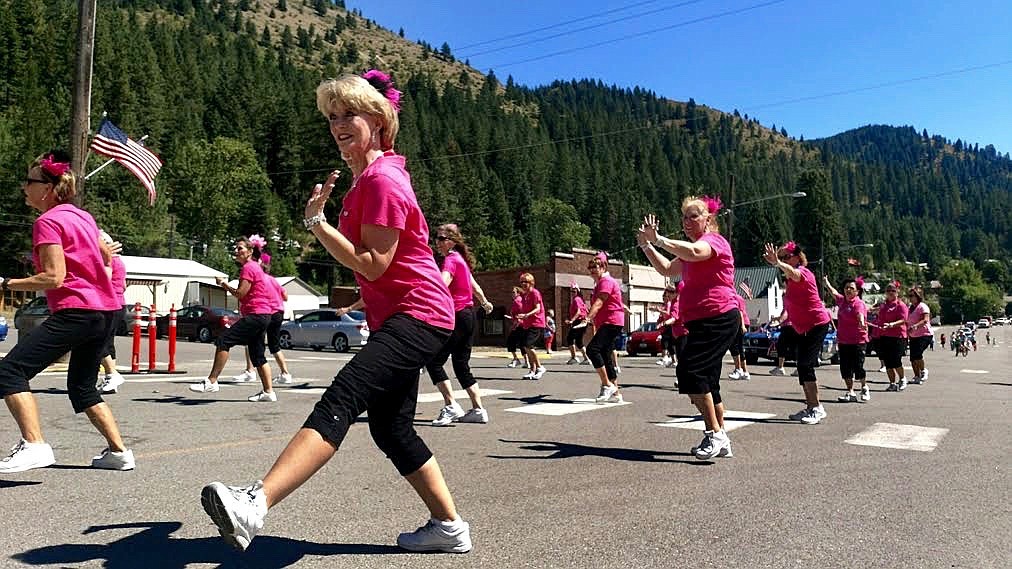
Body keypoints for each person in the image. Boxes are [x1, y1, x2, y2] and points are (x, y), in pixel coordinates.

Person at [200, 71, 471, 554]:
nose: (339, 124)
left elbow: (373, 262)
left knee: (342, 398)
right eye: (332, 117)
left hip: (422, 314)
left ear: (379, 120)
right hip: (404, 315)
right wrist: (318, 222)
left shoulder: (383, 180)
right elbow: (377, 267)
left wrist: (318, 223)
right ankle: (448, 527)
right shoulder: (367, 179)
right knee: (392, 428)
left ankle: (255, 504)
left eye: (350, 114)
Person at [0, 151, 135, 473]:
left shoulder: (47, 222)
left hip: (77, 310)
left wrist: (7, 283)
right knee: (83, 386)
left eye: (29, 181)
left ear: (46, 188)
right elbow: (101, 253)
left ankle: (34, 445)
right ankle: (119, 453)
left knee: (9, 372)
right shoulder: (81, 216)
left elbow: (53, 277)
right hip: (105, 312)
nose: (23, 187)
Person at [637, 196, 740, 460]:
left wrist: (660, 240)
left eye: (694, 216)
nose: (687, 222)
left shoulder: (713, 242)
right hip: (702, 321)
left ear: (708, 219)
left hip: (719, 317)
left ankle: (714, 434)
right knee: (708, 380)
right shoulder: (690, 249)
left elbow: (696, 252)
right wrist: (648, 247)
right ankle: (722, 437)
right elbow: (667, 269)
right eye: (684, 217)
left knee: (691, 372)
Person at [188, 237, 278, 402]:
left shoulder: (248, 268)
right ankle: (268, 392)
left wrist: (224, 285)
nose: (237, 251)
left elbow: (240, 293)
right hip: (263, 315)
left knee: (223, 341)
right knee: (257, 355)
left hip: (256, 315)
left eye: (240, 248)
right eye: (236, 249)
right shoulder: (255, 267)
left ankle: (212, 381)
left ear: (250, 252)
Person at [427, 223, 495, 427]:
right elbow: (474, 286)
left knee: (434, 361)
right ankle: (478, 409)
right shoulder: (461, 261)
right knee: (461, 365)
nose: (436, 243)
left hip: (456, 316)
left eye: (440, 239)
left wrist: (423, 295)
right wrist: (484, 302)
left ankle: (451, 405)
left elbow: (442, 282)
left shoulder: (451, 260)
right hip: (468, 316)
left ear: (451, 241)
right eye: (436, 239)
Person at [763, 241, 832, 425]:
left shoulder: (804, 273)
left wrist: (778, 263)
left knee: (805, 365)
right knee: (802, 367)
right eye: (782, 257)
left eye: (786, 256)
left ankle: (816, 407)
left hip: (817, 324)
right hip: (802, 328)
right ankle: (811, 406)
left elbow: (794, 272)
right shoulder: (790, 281)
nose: (784, 259)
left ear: (797, 257)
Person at [232, 241, 295, 385]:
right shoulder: (273, 280)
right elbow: (285, 296)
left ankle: (250, 371)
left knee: (253, 340)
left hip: (265, 312)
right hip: (279, 312)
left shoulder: (259, 277)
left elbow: (250, 293)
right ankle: (285, 373)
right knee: (274, 345)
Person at [583, 253, 626, 404]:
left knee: (592, 350)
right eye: (590, 268)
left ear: (603, 267)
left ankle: (607, 385)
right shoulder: (600, 283)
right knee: (606, 355)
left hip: (611, 321)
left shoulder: (606, 281)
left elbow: (599, 302)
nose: (592, 270)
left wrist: (588, 318)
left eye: (596, 267)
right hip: (607, 322)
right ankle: (617, 394)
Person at [824, 276, 870, 402]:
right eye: (846, 288)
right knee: (845, 368)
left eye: (851, 288)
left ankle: (864, 387)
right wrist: (826, 282)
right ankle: (850, 392)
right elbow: (833, 292)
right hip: (844, 341)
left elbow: (860, 315)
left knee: (858, 367)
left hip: (858, 341)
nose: (848, 290)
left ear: (857, 291)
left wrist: (861, 322)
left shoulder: (858, 303)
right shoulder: (842, 301)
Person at [97, 229, 127, 394]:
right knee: (108, 342)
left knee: (96, 340)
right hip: (119, 304)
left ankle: (112, 374)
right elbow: (123, 285)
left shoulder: (108, 261)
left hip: (108, 305)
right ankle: (111, 379)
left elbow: (102, 281)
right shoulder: (120, 262)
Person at [876, 281, 909, 391]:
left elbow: (903, 320)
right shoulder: (883, 306)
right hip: (885, 336)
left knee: (896, 360)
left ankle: (902, 379)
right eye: (888, 291)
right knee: (888, 362)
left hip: (898, 337)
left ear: (897, 292)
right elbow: (880, 319)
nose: (890, 293)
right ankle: (892, 383)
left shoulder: (901, 305)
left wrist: (891, 325)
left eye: (893, 291)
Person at [516, 273, 547, 380]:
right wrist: (521, 318)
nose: (523, 284)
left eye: (526, 282)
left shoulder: (535, 293)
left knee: (528, 345)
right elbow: (525, 311)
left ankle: (540, 367)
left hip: (537, 323)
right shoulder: (525, 295)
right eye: (522, 282)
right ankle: (532, 370)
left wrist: (526, 315)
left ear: (531, 282)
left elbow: (538, 308)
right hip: (527, 324)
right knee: (525, 346)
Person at [906, 286, 932, 384]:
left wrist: (916, 326)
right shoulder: (909, 308)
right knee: (912, 358)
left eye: (912, 296)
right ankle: (916, 376)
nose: (910, 298)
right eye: (909, 296)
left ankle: (923, 370)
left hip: (925, 334)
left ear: (918, 296)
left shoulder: (922, 306)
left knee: (918, 354)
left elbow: (925, 319)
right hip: (913, 335)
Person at [564, 284, 590, 364]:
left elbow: (578, 312)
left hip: (579, 322)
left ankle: (574, 357)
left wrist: (572, 320)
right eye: (571, 291)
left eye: (574, 291)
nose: (572, 292)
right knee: (579, 341)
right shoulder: (580, 300)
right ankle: (586, 359)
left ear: (578, 291)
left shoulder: (576, 299)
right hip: (582, 322)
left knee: (569, 338)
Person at [728, 294, 751, 381]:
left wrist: (742, 326)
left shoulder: (735, 298)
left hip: (741, 322)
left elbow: (740, 312)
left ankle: (739, 370)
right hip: (742, 322)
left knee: (735, 346)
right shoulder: (737, 297)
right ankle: (745, 372)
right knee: (739, 347)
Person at [505, 286, 528, 369]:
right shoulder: (522, 300)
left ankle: (516, 359)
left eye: (513, 292)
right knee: (522, 343)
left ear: (518, 293)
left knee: (510, 342)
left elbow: (520, 314)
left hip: (519, 325)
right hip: (523, 324)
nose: (512, 294)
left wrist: (516, 323)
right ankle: (526, 362)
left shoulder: (517, 301)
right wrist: (511, 318)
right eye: (512, 292)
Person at [656, 286, 678, 367]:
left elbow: (671, 316)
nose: (665, 298)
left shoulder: (671, 304)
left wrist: (664, 323)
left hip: (670, 326)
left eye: (667, 296)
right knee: (668, 344)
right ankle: (672, 360)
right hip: (669, 326)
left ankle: (666, 357)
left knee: (667, 343)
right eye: (665, 296)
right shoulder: (669, 304)